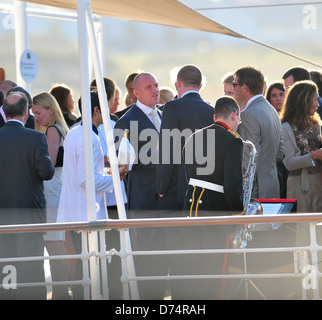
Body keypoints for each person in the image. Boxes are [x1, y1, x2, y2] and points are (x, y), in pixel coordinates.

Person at [165, 96, 244, 300]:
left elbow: (188, 174)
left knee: (192, 265)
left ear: (214, 115)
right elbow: (233, 187)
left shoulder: (193, 137)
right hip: (216, 210)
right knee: (215, 267)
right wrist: (239, 214)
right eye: (238, 119)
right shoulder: (233, 141)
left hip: (190, 207)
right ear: (234, 115)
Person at [57, 90, 127, 299]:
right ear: (96, 110)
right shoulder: (90, 137)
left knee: (83, 259)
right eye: (104, 109)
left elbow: (82, 173)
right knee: (87, 262)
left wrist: (104, 165)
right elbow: (86, 180)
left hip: (75, 210)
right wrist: (117, 177)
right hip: (85, 212)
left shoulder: (74, 132)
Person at [114, 72, 167, 299]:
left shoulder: (165, 115)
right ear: (135, 93)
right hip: (145, 197)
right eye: (148, 87)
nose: (155, 90)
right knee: (147, 254)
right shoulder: (125, 121)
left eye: (156, 85)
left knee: (166, 252)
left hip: (167, 198)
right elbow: (122, 165)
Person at [0, 92, 55, 299]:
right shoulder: (36, 138)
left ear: (4, 112)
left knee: (6, 263)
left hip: (2, 217)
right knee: (31, 264)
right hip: (30, 215)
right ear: (26, 112)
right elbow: (47, 173)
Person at [155, 64, 215, 212]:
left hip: (176, 188)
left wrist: (161, 186)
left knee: (173, 234)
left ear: (178, 83)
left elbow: (167, 148)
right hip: (204, 188)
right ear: (200, 85)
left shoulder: (172, 107)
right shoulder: (211, 110)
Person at [32, 92, 70, 299]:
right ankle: (61, 290)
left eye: (39, 112)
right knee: (57, 245)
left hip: (51, 191)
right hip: (56, 188)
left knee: (54, 246)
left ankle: (60, 292)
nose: (36, 117)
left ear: (50, 109)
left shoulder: (52, 131)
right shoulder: (60, 129)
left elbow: (50, 163)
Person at [233, 66, 282, 199]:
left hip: (256, 193)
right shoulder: (271, 110)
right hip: (271, 186)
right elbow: (280, 152)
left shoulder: (248, 114)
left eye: (234, 84)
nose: (233, 89)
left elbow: (249, 161)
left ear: (244, 87)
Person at [281, 80, 322, 213]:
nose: (317, 104)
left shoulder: (316, 124)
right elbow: (288, 163)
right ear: (303, 101)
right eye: (314, 100)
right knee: (303, 229)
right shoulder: (286, 127)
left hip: (319, 183)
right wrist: (314, 155)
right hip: (300, 186)